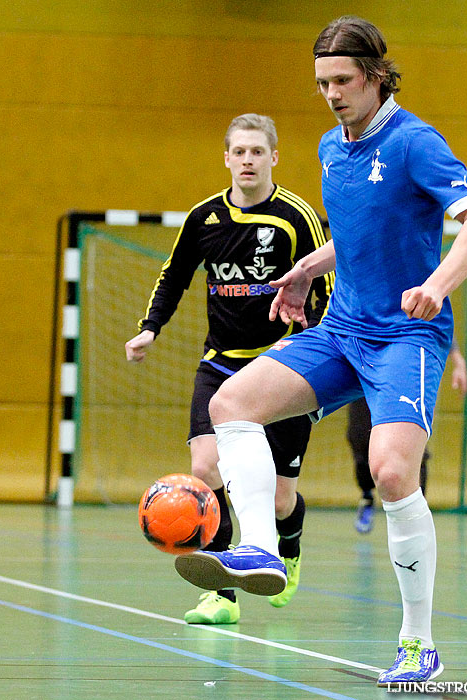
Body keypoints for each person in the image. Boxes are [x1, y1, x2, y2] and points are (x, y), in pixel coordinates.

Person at [172, 16, 467, 685]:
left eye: (343, 80)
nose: (331, 93)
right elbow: (357, 236)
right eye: (322, 82)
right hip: (343, 329)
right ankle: (261, 547)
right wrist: (307, 269)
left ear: (376, 75)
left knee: (390, 474)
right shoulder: (329, 146)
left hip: (405, 336)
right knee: (232, 402)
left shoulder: (414, 143)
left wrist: (437, 286)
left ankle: (418, 645)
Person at [125, 113, 332, 624]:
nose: (247, 160)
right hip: (220, 366)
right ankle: (221, 594)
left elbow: (326, 286)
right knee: (205, 470)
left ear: (274, 158)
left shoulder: (295, 215)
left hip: (283, 370)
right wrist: (151, 327)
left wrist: (313, 348)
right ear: (226, 158)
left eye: (257, 152)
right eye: (238, 152)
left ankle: (288, 545)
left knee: (280, 499)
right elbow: (174, 276)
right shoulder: (204, 218)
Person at [351, 340, 467, 533]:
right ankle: (366, 495)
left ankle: (416, 515)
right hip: (367, 362)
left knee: (412, 446)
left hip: (407, 366)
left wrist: (457, 359)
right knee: (360, 437)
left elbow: (438, 314)